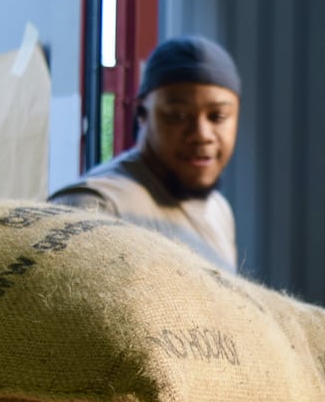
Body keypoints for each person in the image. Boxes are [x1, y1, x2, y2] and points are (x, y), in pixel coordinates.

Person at [49, 34, 241, 274]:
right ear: (142, 113)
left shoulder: (218, 209)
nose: (202, 134)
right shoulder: (95, 206)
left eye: (218, 117)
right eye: (178, 116)